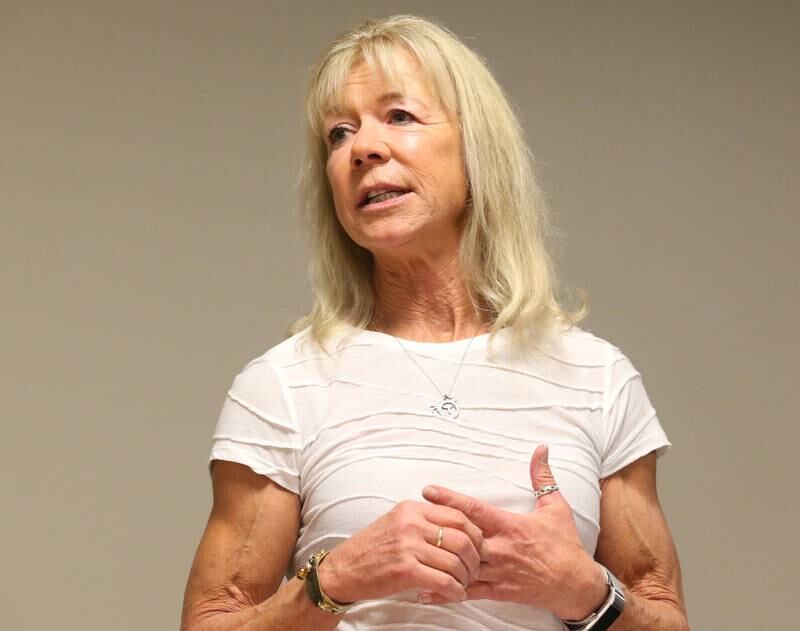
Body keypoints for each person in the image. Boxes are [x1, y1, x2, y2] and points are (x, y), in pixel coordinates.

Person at [180, 14, 689, 631]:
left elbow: (665, 618)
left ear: (476, 149)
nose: (362, 148)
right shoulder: (283, 386)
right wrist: (333, 580)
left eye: (399, 116)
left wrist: (583, 590)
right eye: (339, 134)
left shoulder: (597, 377)